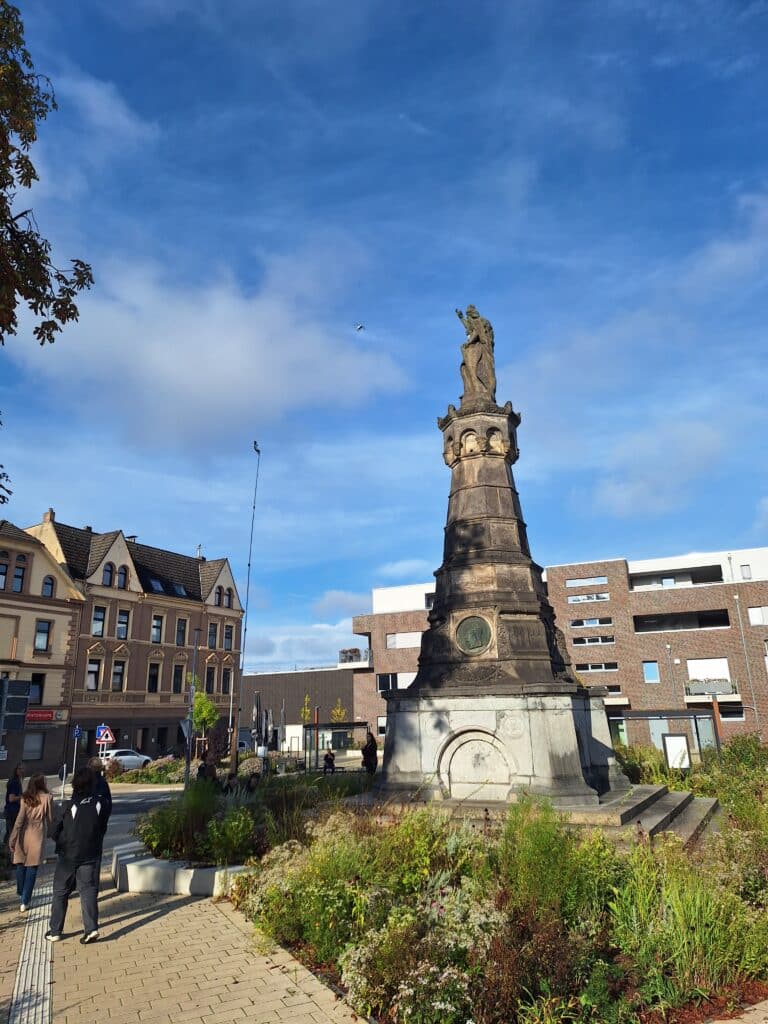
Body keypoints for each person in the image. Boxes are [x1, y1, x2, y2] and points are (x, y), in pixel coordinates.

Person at [46, 766, 108, 945]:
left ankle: (55, 931)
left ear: (74, 784)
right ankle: (91, 928)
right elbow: (102, 826)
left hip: (68, 855)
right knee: (88, 890)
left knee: (60, 891)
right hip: (90, 853)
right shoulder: (100, 803)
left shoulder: (67, 805)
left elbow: (53, 830)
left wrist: (62, 841)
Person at [9, 773, 53, 912]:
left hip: (24, 832)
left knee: (20, 864)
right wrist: (52, 833)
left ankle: (21, 892)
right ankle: (25, 900)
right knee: (32, 868)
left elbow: (19, 819)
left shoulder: (25, 798)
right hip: (37, 834)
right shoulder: (48, 797)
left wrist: (13, 837)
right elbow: (50, 818)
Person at [88, 757, 113, 873]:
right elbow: (108, 805)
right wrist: (104, 821)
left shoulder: (85, 782)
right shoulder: (103, 783)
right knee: (97, 853)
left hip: (84, 823)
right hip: (99, 824)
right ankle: (94, 879)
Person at [3, 762, 24, 846]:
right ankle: (8, 850)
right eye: (19, 769)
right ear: (15, 770)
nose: (22, 770)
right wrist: (23, 796)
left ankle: (5, 848)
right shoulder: (14, 782)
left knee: (9, 832)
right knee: (12, 833)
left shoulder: (16, 780)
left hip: (12, 811)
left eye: (23, 769)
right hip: (12, 811)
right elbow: (11, 799)